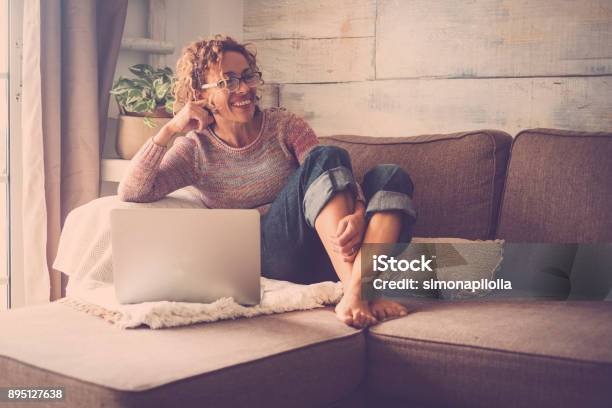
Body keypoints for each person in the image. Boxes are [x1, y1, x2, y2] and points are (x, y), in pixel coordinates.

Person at [118, 35, 417, 328]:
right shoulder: (195, 150)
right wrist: (170, 129)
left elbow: (329, 173)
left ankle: (356, 289)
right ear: (199, 95)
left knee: (391, 175)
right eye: (229, 81)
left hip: (326, 251)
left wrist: (358, 211)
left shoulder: (284, 125)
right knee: (326, 155)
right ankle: (360, 291)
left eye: (248, 77)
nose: (245, 88)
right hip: (273, 255)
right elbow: (132, 191)